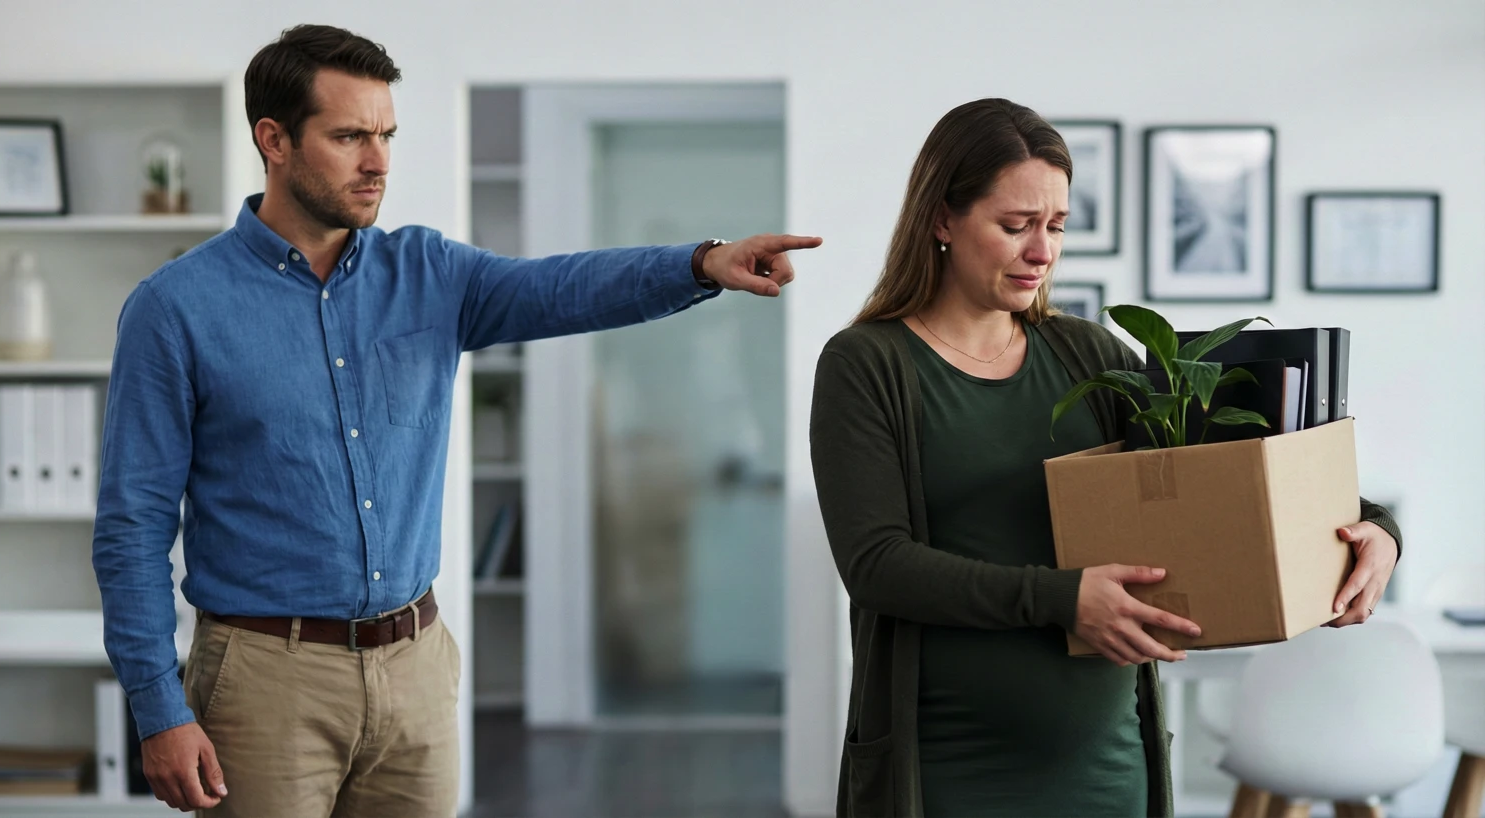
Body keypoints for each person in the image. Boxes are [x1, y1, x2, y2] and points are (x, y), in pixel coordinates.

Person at [90, 24, 819, 818]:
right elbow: (132, 527)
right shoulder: (175, 310)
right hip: (265, 679)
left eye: (386, 135)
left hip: (416, 670)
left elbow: (562, 288)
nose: (378, 162)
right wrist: (159, 708)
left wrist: (698, 264)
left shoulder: (431, 273)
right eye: (348, 137)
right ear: (274, 140)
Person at [807, 98, 1399, 818]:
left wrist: (1378, 530)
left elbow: (1221, 480)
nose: (1042, 251)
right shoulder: (868, 364)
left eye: (1055, 226)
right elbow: (876, 566)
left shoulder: (1085, 354)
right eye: (1014, 225)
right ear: (942, 219)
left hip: (1108, 771)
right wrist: (1062, 599)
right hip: (944, 774)